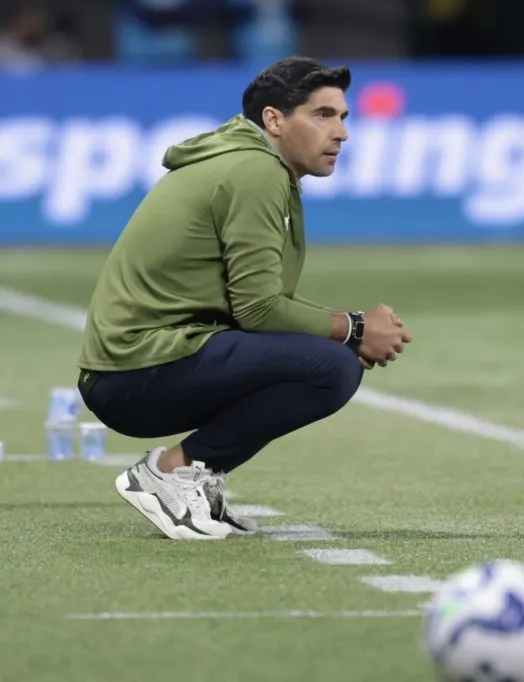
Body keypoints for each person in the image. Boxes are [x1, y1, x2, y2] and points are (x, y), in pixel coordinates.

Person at [77, 56, 412, 541]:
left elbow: (256, 307)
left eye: (343, 117)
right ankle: (170, 472)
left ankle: (193, 475)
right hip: (135, 371)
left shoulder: (251, 162)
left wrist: (345, 330)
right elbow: (258, 309)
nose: (341, 133)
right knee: (333, 367)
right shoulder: (256, 171)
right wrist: (355, 327)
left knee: (329, 358)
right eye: (323, 115)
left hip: (142, 364)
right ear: (274, 120)